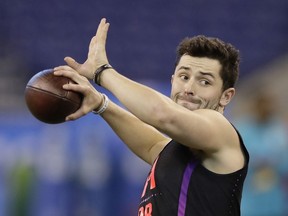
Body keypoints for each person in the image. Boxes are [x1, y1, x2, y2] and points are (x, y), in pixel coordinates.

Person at [54, 18, 249, 216]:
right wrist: (101, 104)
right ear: (173, 80)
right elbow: (152, 146)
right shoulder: (186, 147)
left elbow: (162, 115)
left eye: (205, 82)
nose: (189, 88)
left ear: (226, 96)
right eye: (184, 77)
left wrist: (102, 72)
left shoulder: (220, 130)